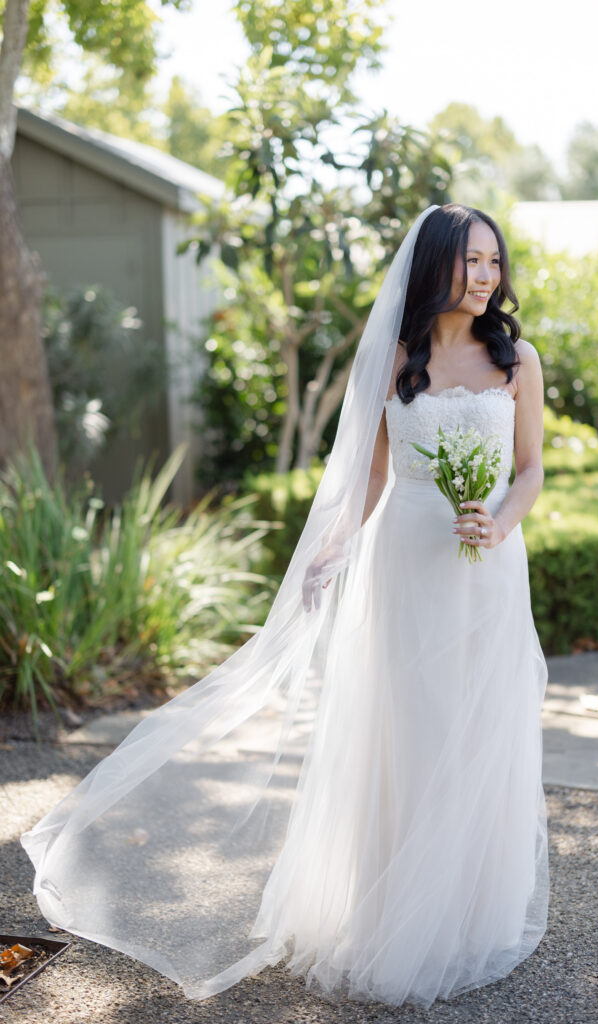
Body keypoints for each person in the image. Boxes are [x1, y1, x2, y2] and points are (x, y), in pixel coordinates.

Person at [21, 203, 548, 1010]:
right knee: (410, 727)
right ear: (434, 264)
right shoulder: (393, 360)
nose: (484, 277)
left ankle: (467, 912)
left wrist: (498, 520)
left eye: (492, 262)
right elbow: (370, 477)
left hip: (485, 565)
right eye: (469, 261)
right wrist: (335, 546)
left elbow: (530, 471)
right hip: (403, 561)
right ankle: (393, 909)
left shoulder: (517, 362)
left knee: (478, 728)